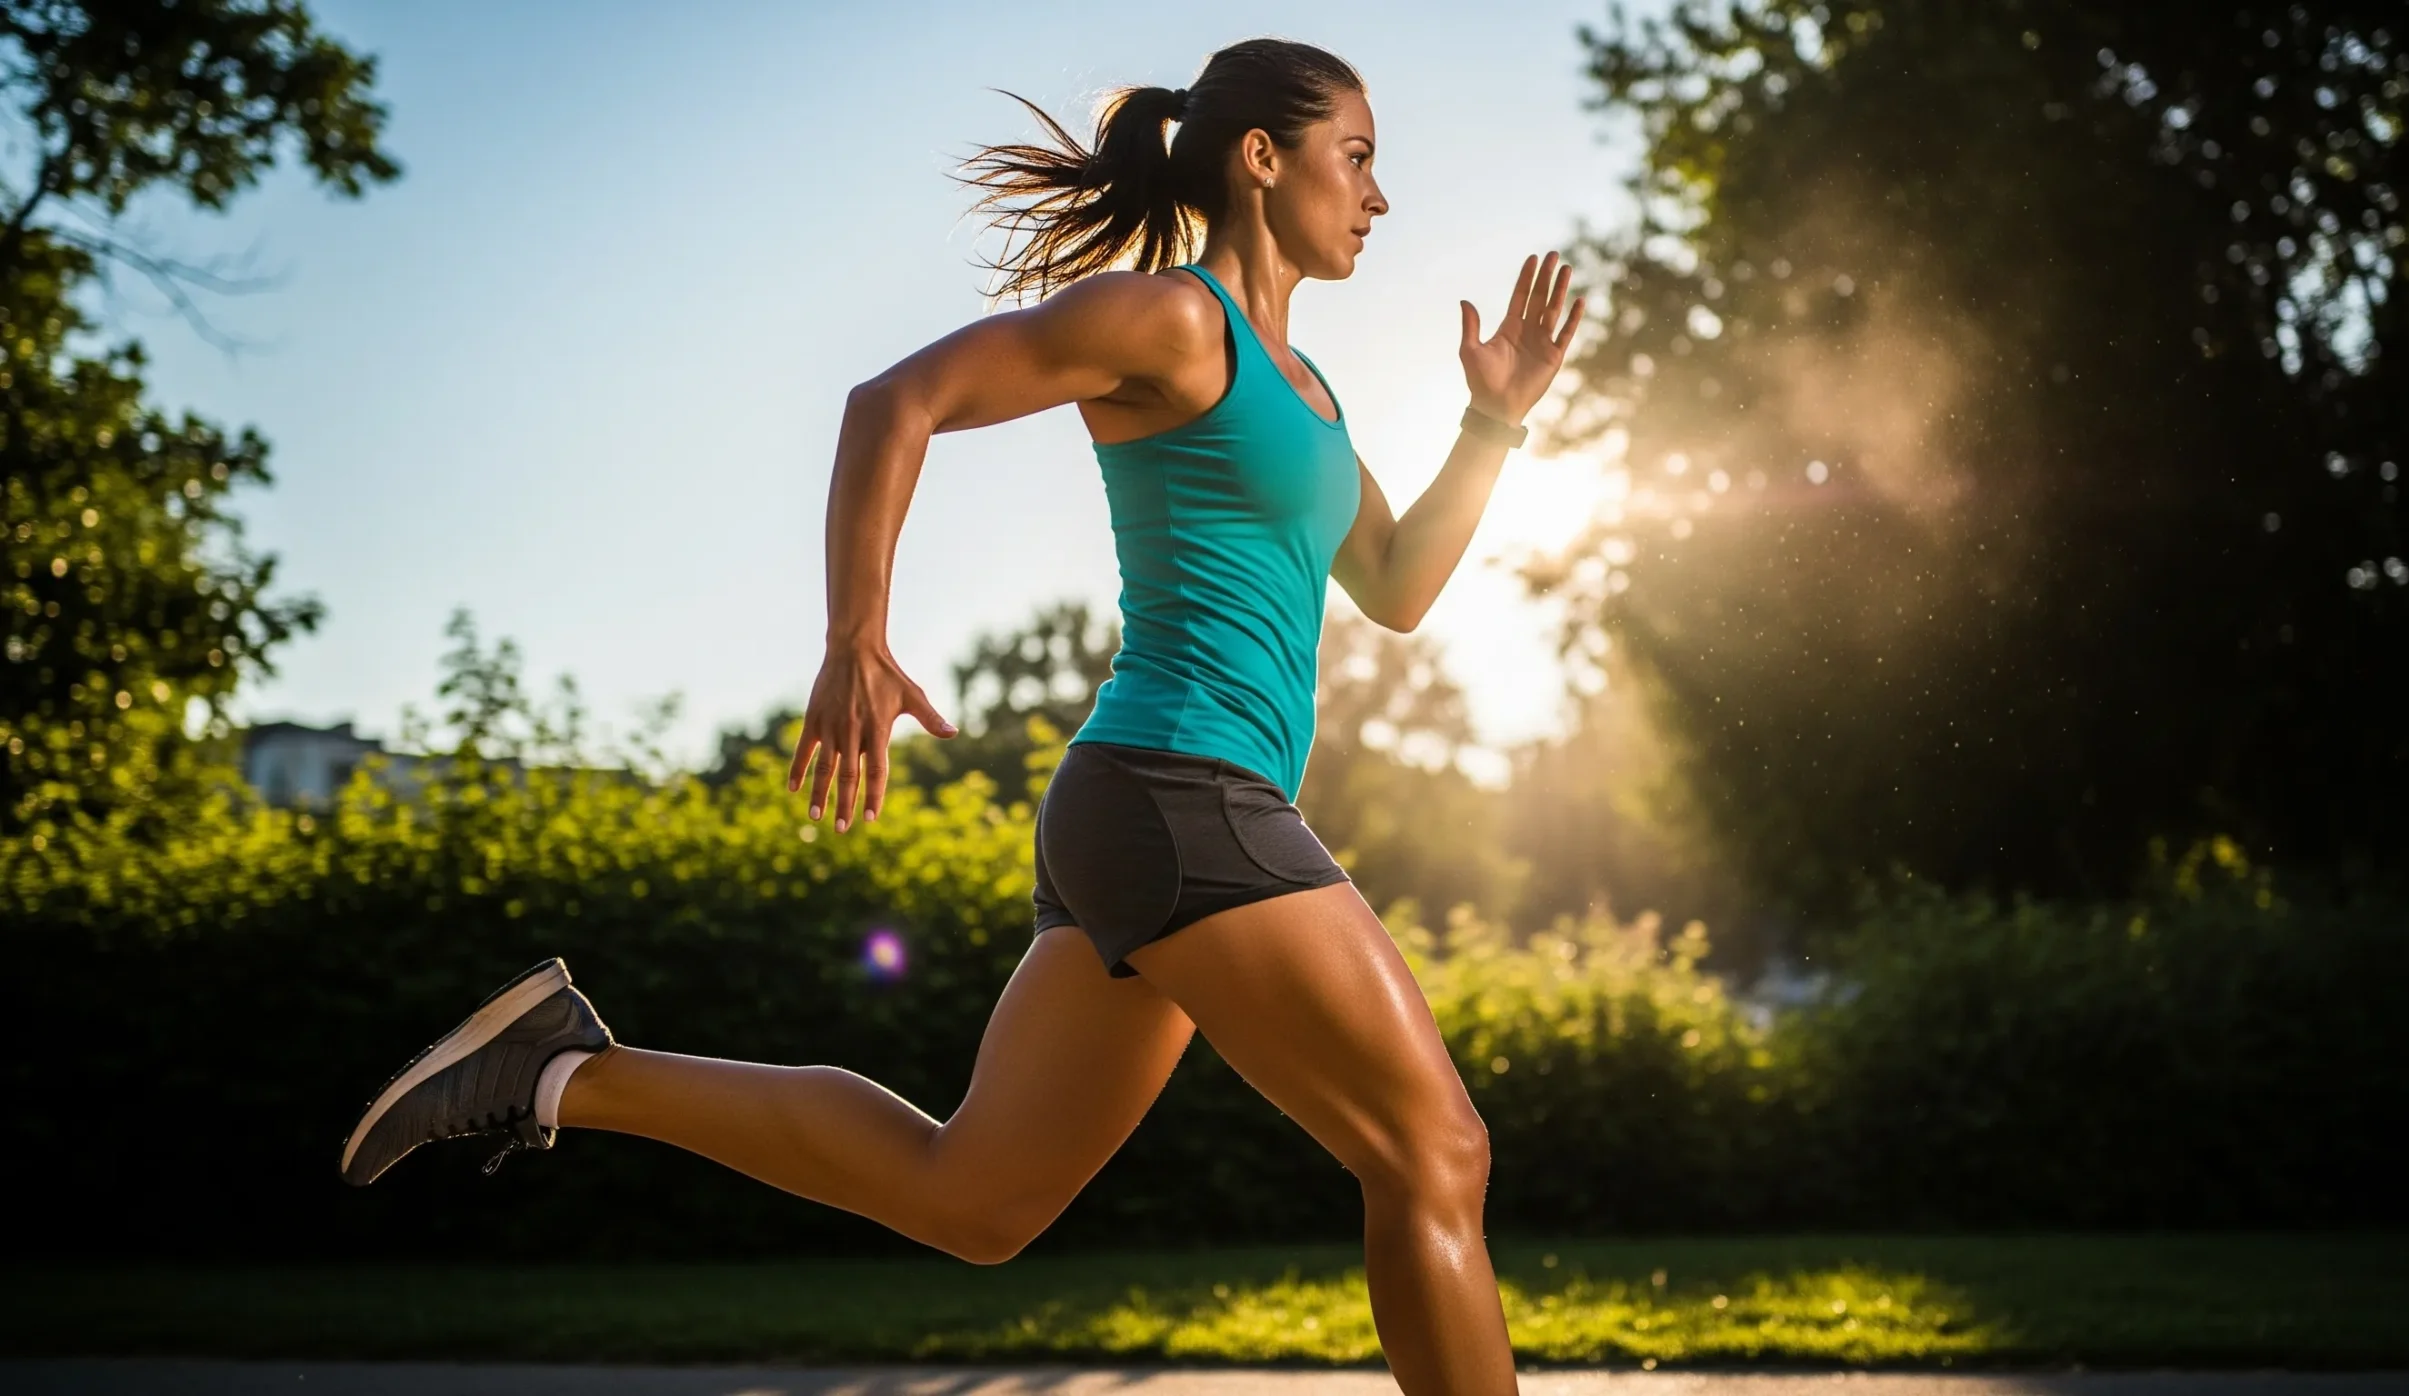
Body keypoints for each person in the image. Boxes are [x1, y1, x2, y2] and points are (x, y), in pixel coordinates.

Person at [336, 35, 1581, 1395]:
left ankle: (565, 1070)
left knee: (974, 1199)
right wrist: (853, 638)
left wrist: (1493, 423)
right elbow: (899, 400)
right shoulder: (1172, 323)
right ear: (1262, 159)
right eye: (1359, 159)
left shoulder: (1313, 393)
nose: (1378, 198)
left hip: (1160, 813)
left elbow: (1395, 589)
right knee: (1437, 1151)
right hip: (1184, 789)